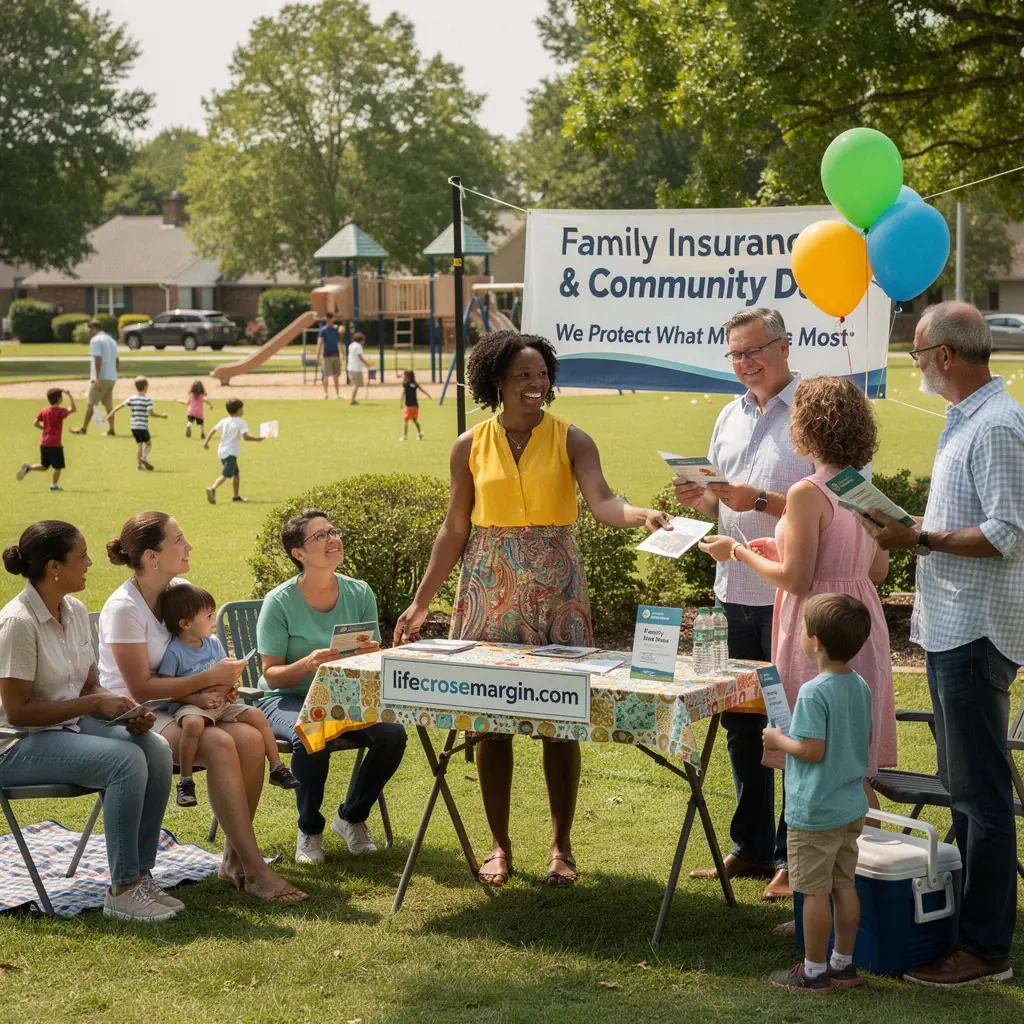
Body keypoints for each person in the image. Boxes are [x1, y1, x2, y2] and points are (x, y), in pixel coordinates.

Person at [393, 331, 671, 887]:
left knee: (561, 718)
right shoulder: (468, 445)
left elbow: (603, 502)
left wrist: (641, 514)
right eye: (524, 375)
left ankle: (561, 847)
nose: (536, 384)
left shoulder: (573, 439)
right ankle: (498, 846)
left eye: (542, 374)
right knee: (489, 721)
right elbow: (455, 527)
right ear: (497, 381)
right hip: (488, 583)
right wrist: (422, 602)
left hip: (557, 586)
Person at [865, 302, 1023, 987]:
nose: (916, 365)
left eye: (918, 354)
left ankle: (985, 950)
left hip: (976, 630)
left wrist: (919, 537)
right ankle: (965, 931)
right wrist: (909, 525)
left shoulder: (997, 426)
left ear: (947, 356)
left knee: (981, 796)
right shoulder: (968, 418)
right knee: (964, 789)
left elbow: (1007, 534)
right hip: (954, 624)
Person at [675, 308, 814, 899]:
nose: (744, 363)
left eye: (754, 350)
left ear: (786, 345)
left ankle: (792, 855)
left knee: (794, 726)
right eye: (735, 353)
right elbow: (721, 503)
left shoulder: (813, 412)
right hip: (732, 592)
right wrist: (701, 497)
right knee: (741, 725)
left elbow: (837, 503)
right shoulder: (729, 415)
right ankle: (751, 846)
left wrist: (757, 498)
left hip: (790, 595)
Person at [97, 510, 307, 902]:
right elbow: (140, 688)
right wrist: (206, 681)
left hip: (183, 704)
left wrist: (220, 683)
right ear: (151, 557)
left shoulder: (180, 591)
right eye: (178, 540)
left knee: (249, 739)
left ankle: (233, 860)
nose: (189, 545)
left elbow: (201, 650)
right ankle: (256, 870)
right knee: (221, 743)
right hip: (135, 714)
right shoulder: (124, 608)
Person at [699, 374, 896, 788]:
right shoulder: (860, 486)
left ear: (806, 427)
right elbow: (876, 570)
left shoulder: (806, 492)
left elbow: (797, 579)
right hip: (860, 623)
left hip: (817, 626)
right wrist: (780, 548)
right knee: (854, 769)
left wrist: (737, 552)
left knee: (812, 753)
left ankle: (810, 834)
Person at [0, 520, 179, 921]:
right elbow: (18, 711)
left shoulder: (75, 610)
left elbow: (87, 686)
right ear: (54, 567)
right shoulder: (17, 622)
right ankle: (123, 890)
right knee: (124, 761)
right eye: (81, 555)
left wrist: (125, 712)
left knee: (155, 748)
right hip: (16, 744)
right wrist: (93, 704)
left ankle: (142, 876)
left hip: (67, 728)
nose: (90, 562)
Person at [256, 508, 406, 865]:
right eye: (320, 536)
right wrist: (308, 664)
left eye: (333, 532)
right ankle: (309, 829)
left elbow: (371, 658)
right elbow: (271, 674)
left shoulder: (359, 592)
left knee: (393, 733)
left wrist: (373, 654)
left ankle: (351, 817)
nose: (332, 539)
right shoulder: (279, 601)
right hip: (286, 697)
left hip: (344, 695)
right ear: (299, 553)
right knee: (311, 733)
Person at [763, 594, 874, 994]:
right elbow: (862, 739)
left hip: (815, 811)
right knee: (844, 885)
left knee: (813, 891)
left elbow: (811, 750)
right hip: (849, 807)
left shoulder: (813, 692)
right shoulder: (859, 685)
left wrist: (778, 739)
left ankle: (812, 972)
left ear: (815, 642)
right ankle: (843, 964)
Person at [157, 582, 298, 807]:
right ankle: (186, 781)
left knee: (256, 715)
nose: (214, 621)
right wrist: (196, 699)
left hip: (220, 704)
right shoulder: (175, 652)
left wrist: (229, 690)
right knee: (193, 724)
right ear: (185, 624)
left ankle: (277, 767)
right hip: (190, 705)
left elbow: (227, 675)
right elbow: (167, 688)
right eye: (208, 617)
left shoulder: (212, 644)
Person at [204, 399, 264, 504]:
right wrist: (258, 439)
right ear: (238, 410)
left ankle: (236, 497)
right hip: (231, 453)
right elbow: (246, 437)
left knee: (236, 474)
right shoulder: (241, 422)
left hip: (222, 451)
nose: (243, 410)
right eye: (242, 408)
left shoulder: (224, 421)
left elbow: (213, 430)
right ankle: (212, 488)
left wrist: (206, 442)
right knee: (225, 475)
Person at [17, 388, 76, 491]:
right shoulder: (60, 411)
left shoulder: (44, 410)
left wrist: (44, 429)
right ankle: (54, 486)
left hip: (44, 443)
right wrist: (70, 395)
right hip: (55, 444)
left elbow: (35, 423)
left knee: (44, 466)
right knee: (58, 467)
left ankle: (29, 467)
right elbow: (73, 409)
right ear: (59, 399)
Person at [70, 320, 119, 437]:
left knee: (90, 403)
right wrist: (113, 373)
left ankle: (83, 429)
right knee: (108, 405)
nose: (88, 331)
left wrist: (97, 378)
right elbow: (117, 360)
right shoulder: (112, 341)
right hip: (111, 377)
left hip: (101, 377)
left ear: (93, 328)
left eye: (89, 329)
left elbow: (97, 358)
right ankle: (111, 429)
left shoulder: (95, 340)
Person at [108, 377, 167, 472]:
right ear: (146, 386)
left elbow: (120, 406)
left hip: (133, 426)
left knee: (139, 445)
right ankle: (144, 457)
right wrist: (162, 416)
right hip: (142, 426)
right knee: (148, 445)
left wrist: (110, 414)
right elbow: (151, 414)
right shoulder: (147, 400)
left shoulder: (132, 398)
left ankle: (139, 466)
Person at [316, 312, 342, 399]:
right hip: (327, 356)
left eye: (330, 319)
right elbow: (319, 343)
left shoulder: (336, 329)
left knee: (336, 376)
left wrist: (343, 353)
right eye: (328, 319)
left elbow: (339, 342)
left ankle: (337, 394)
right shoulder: (323, 330)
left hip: (336, 355)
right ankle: (326, 394)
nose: (329, 321)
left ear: (332, 319)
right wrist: (318, 356)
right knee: (326, 375)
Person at [399, 369, 429, 441]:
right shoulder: (414, 383)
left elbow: (403, 393)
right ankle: (419, 433)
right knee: (414, 420)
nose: (403, 377)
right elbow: (421, 389)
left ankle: (405, 436)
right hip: (415, 406)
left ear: (408, 377)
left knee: (406, 420)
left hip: (408, 406)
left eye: (404, 376)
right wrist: (427, 394)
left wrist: (401, 402)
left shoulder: (406, 384)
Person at [347, 331, 371, 405]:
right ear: (361, 340)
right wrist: (367, 364)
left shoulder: (351, 345)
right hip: (356, 368)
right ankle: (352, 399)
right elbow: (360, 357)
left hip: (350, 367)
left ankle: (353, 399)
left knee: (354, 384)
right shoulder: (358, 346)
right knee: (356, 385)